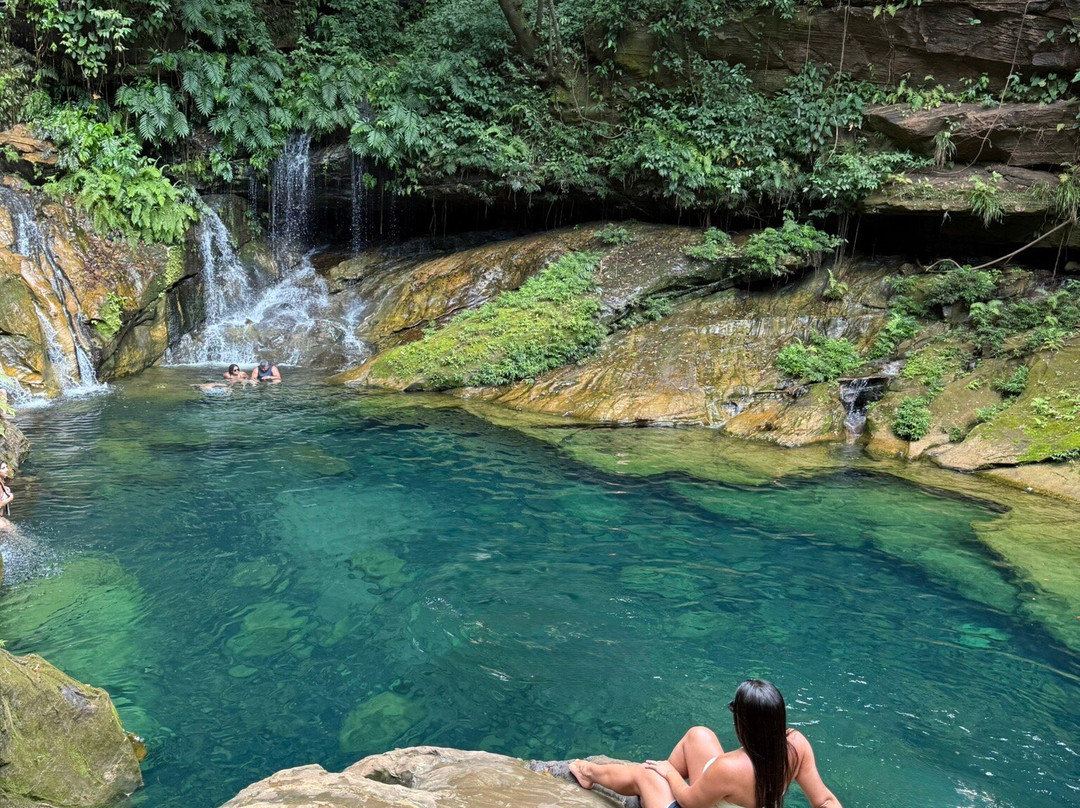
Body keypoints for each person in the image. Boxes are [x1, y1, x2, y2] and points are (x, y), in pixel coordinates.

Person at [568, 679, 843, 808]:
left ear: (743, 723)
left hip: (695, 803)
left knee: (647, 773)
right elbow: (826, 801)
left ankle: (589, 774)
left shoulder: (729, 768)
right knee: (699, 735)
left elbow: (688, 801)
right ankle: (655, 796)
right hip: (726, 794)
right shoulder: (795, 744)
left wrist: (669, 772)